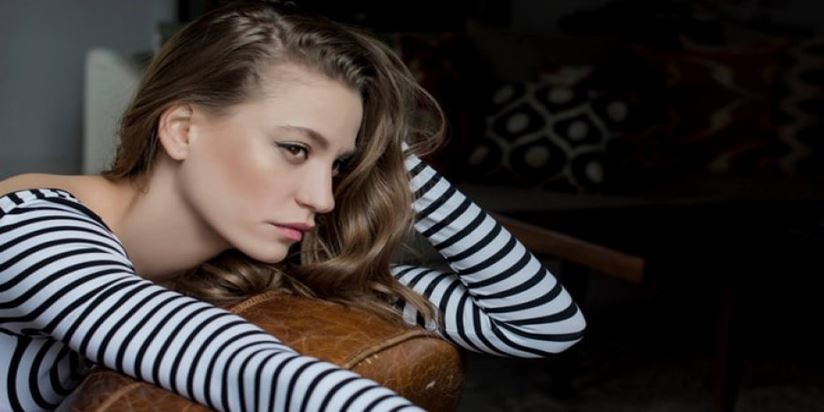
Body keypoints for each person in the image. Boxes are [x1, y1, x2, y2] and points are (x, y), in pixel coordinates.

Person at [0, 1, 586, 410]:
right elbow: (238, 362)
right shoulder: (31, 226)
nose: (323, 197)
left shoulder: (262, 257)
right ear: (181, 130)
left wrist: (390, 159)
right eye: (294, 148)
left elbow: (542, 326)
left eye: (338, 164)